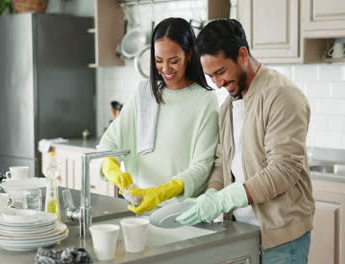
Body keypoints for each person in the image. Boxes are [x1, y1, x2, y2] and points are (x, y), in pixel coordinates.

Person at [176, 19, 314, 263]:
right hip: (243, 232)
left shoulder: (281, 95)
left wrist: (225, 199)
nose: (217, 84)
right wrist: (211, 194)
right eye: (210, 76)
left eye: (220, 72)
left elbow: (283, 170)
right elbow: (222, 162)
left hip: (281, 238)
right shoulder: (229, 105)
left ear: (242, 55)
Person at [98, 17, 219, 215]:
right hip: (137, 204)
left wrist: (163, 192)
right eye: (158, 61)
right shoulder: (145, 92)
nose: (165, 69)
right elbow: (109, 143)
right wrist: (112, 169)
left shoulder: (205, 100)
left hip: (180, 212)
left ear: (189, 55)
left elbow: (202, 166)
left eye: (173, 61)